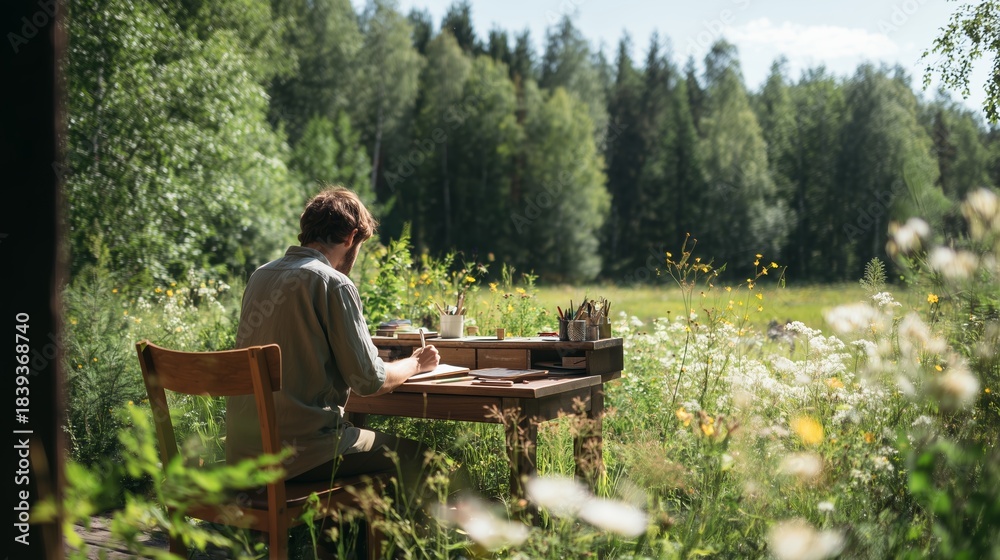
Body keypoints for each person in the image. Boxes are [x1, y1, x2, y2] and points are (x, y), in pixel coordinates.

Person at [225, 186, 441, 498]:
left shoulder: (260, 276)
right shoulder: (333, 283)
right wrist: (416, 362)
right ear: (351, 237)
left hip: (245, 456)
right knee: (423, 459)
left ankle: (342, 545)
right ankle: (400, 547)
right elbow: (369, 380)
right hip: (303, 455)